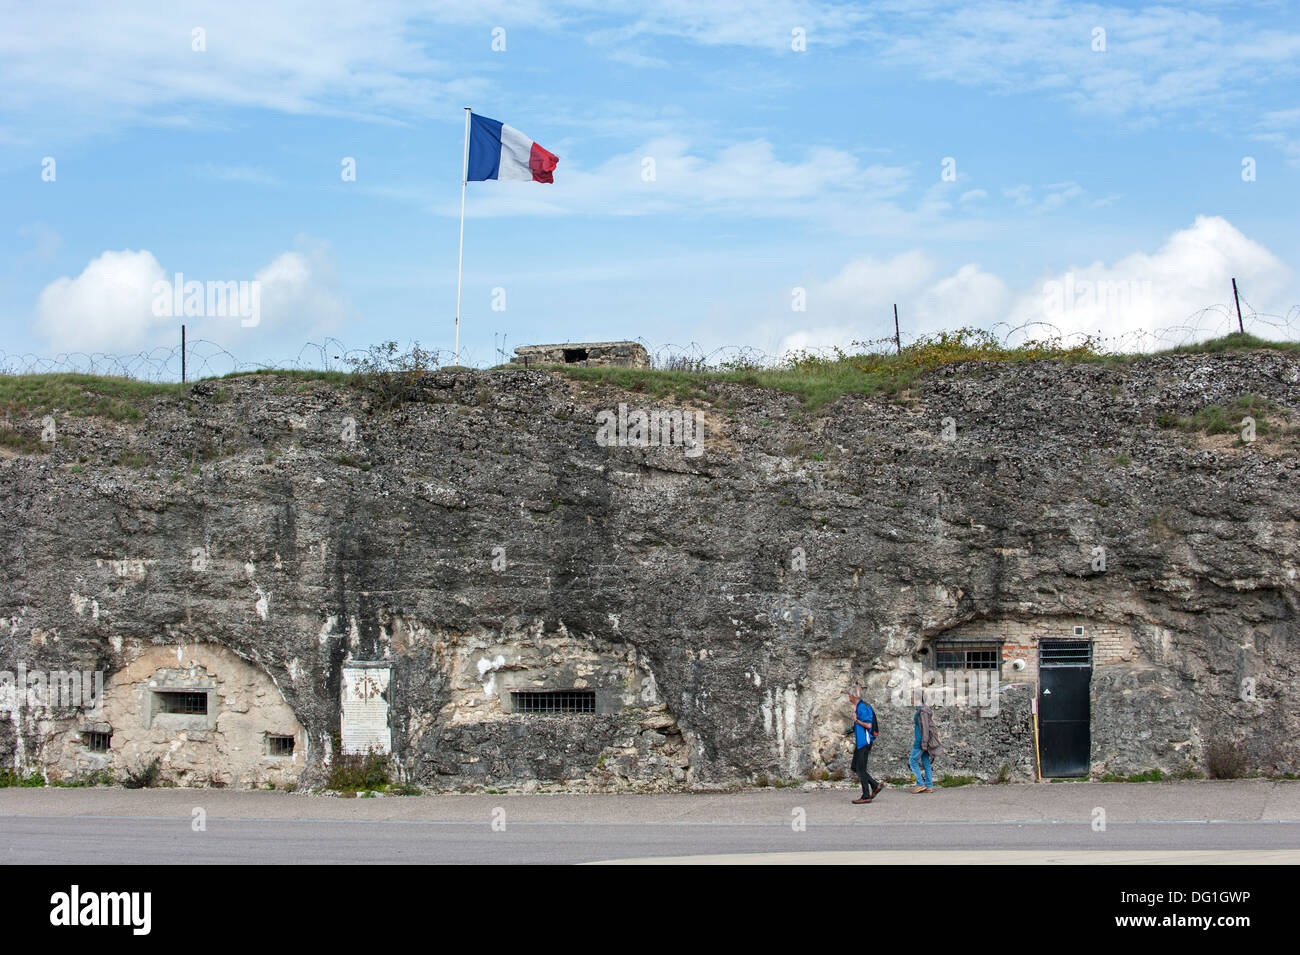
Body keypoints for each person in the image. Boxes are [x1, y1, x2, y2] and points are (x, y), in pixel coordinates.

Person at [848, 685, 882, 804]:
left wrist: (856, 720)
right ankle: (874, 785)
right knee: (855, 767)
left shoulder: (863, 707)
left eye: (849, 695)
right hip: (860, 743)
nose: (849, 697)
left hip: (864, 742)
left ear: (853, 696)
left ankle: (866, 795)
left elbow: (868, 725)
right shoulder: (859, 707)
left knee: (861, 769)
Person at [910, 701, 942, 793]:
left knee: (912, 761)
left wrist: (924, 743)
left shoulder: (922, 711)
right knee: (925, 761)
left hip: (920, 741)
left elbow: (925, 728)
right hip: (923, 740)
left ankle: (920, 784)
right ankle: (929, 785)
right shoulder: (923, 710)